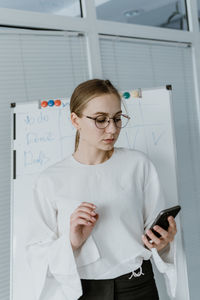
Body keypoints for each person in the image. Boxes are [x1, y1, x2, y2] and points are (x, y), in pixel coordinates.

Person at [25, 79, 177, 300]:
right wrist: (72, 241)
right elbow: (35, 252)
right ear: (75, 120)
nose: (112, 129)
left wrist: (163, 242)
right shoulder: (50, 180)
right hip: (82, 291)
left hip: (137, 286)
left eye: (117, 118)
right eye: (100, 120)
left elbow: (155, 234)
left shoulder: (138, 164)